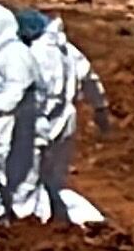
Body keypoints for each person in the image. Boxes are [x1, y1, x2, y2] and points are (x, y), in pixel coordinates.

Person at [0, 5, 54, 221]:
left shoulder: (15, 53)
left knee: (21, 181)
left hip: (20, 129)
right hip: (4, 128)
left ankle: (31, 224)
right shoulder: (3, 54)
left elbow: (16, 90)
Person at [24, 13, 108, 223]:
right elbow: (90, 79)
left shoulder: (29, 54)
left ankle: (38, 224)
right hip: (66, 122)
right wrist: (100, 108)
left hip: (37, 123)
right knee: (55, 182)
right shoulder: (68, 51)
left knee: (30, 182)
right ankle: (89, 220)